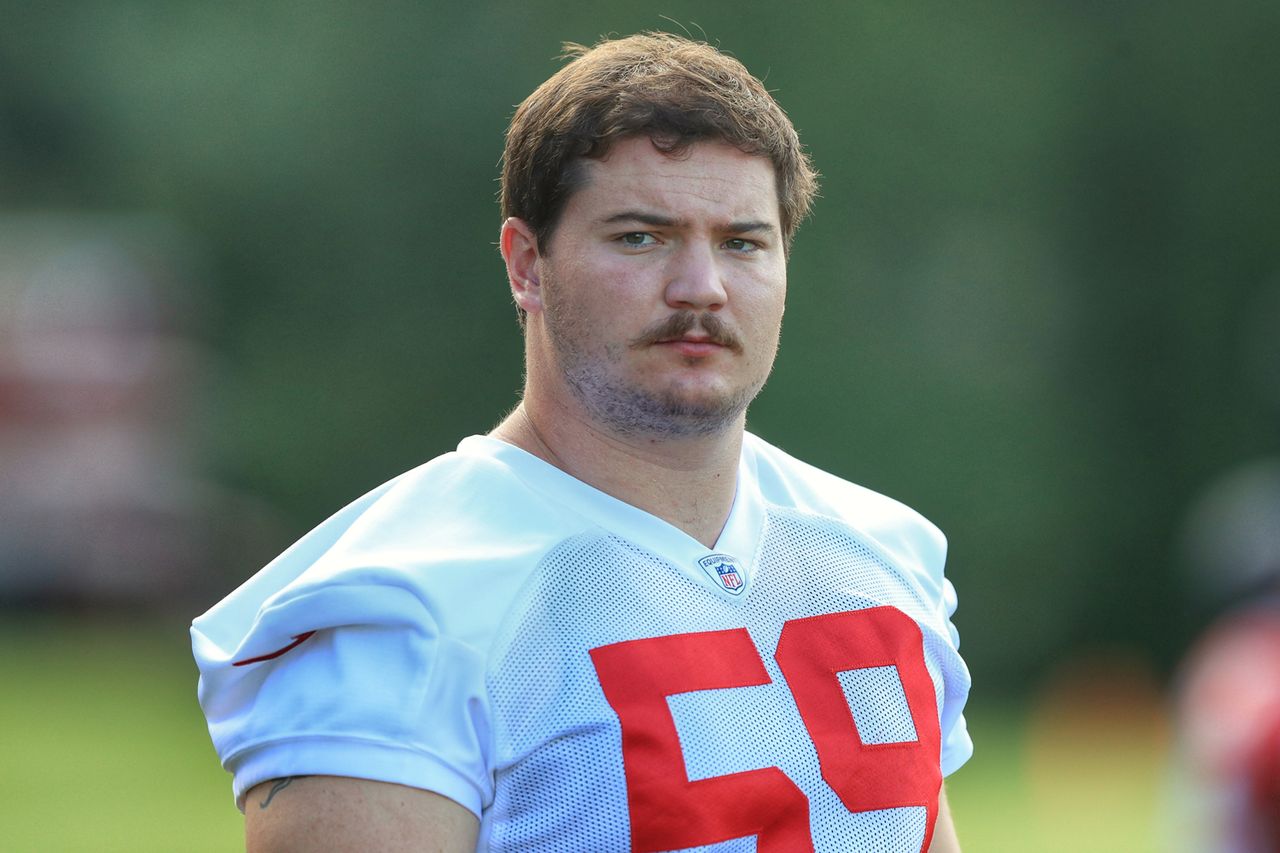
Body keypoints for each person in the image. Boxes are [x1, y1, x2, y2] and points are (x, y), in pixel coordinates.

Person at [192, 32, 972, 852]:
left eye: (742, 242)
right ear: (527, 265)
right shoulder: (405, 605)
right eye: (641, 236)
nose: (701, 287)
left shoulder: (884, 554)